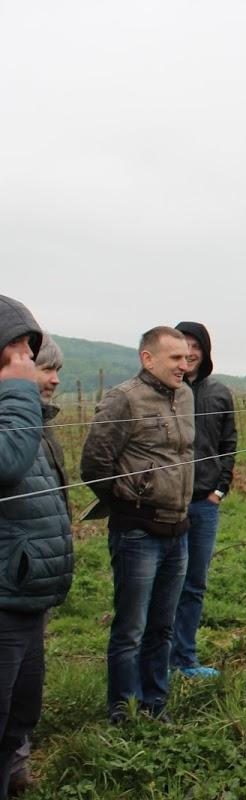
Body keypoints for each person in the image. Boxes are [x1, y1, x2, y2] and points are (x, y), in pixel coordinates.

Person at [81, 327, 195, 723]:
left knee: (162, 626)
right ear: (148, 359)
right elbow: (94, 465)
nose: (185, 364)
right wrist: (130, 504)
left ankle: (155, 703)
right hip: (138, 534)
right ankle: (124, 710)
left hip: (177, 529)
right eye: (176, 358)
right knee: (130, 628)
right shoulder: (123, 399)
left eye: (187, 357)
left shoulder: (186, 396)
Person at [0, 297, 73, 799]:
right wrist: (20, 394)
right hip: (3, 600)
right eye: (19, 348)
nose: (31, 360)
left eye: (33, 348)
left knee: (17, 718)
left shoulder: (23, 414)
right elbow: (5, 462)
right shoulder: (16, 407)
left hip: (27, 594)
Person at [170, 322, 237, 678]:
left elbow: (229, 445)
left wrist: (218, 490)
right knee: (166, 583)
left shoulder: (219, 393)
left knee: (194, 583)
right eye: (183, 345)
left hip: (203, 502)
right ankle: (157, 660)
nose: (190, 353)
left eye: (196, 346)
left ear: (205, 351)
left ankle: (184, 658)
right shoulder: (163, 391)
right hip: (167, 504)